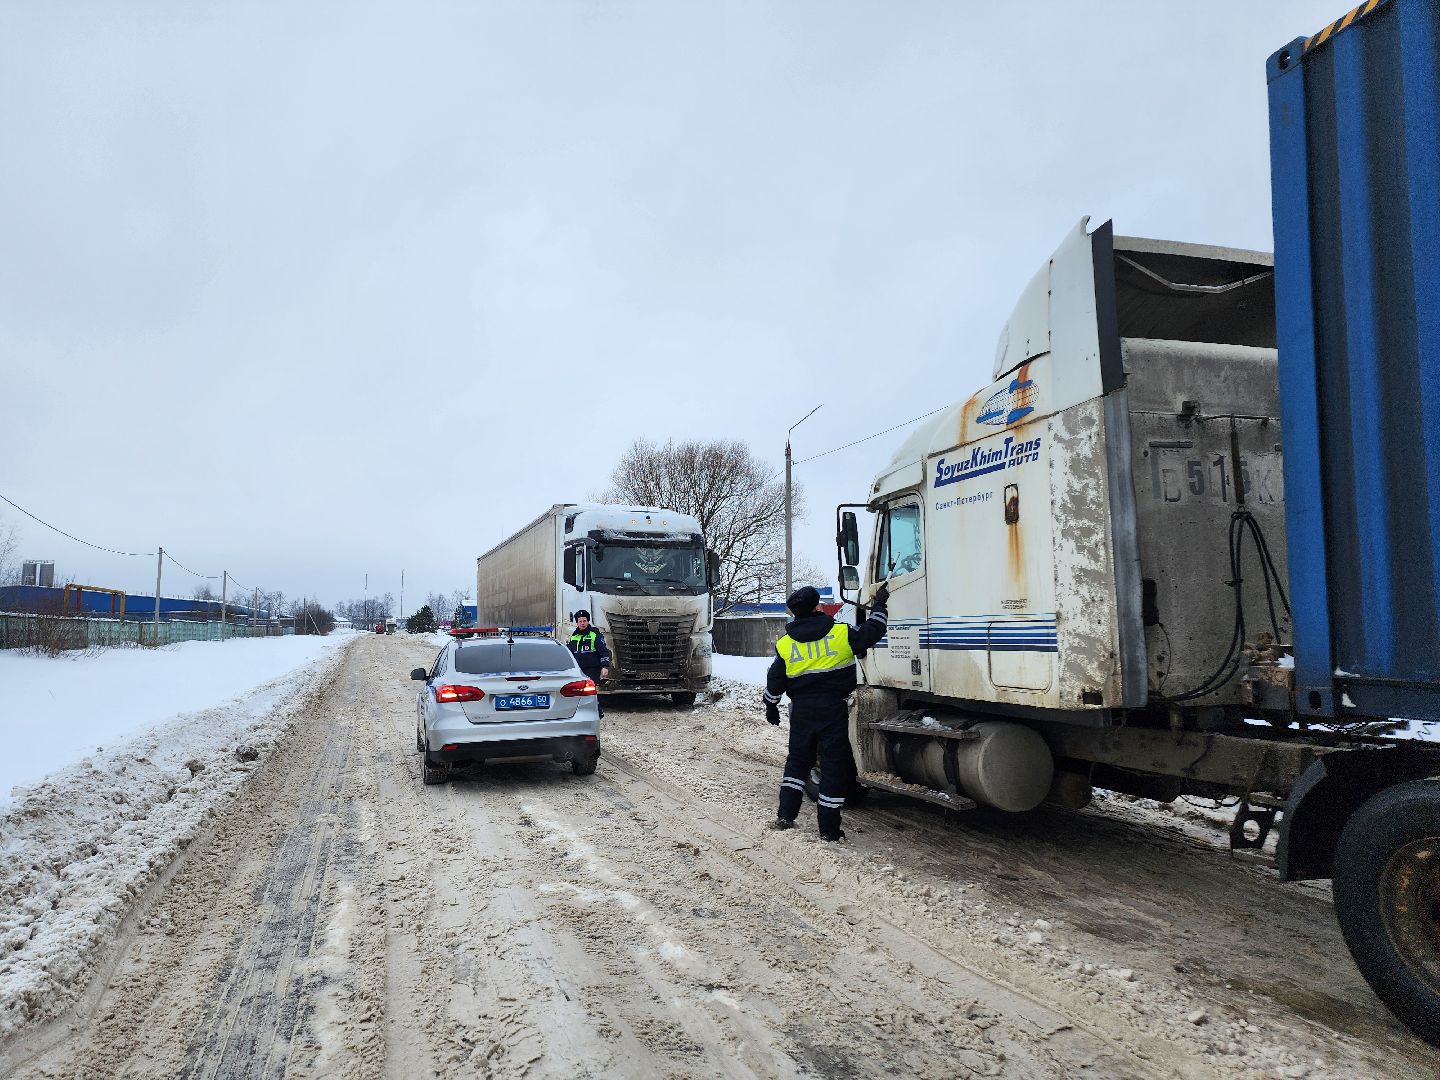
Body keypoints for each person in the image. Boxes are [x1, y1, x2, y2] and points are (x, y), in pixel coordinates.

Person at [763, 582, 889, 841]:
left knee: (797, 763)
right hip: (833, 709)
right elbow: (873, 631)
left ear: (795, 613)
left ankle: (786, 816)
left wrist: (771, 704)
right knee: (833, 767)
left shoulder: (786, 644)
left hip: (802, 711)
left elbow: (775, 679)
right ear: (817, 607)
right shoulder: (840, 633)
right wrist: (880, 605)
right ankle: (829, 831)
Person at [568, 610, 611, 718]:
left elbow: (603, 651)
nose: (582, 623)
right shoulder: (574, 636)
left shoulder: (594, 634)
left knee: (590, 692)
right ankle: (581, 713)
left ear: (588, 621)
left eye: (584, 621)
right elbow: (569, 652)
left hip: (592, 669)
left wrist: (605, 666)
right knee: (578, 692)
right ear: (577, 623)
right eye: (580, 621)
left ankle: (598, 713)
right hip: (578, 670)